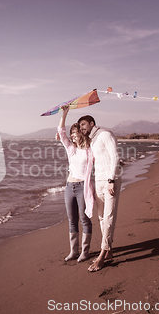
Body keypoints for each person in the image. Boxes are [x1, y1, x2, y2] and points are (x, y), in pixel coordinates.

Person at [77, 114, 121, 272]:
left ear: (91, 123)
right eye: (80, 126)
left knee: (109, 217)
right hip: (99, 181)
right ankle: (109, 250)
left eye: (83, 124)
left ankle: (102, 255)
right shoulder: (92, 140)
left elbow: (115, 157)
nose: (82, 128)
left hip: (110, 181)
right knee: (102, 217)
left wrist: (111, 180)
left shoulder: (105, 134)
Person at [57, 105, 94, 262]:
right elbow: (61, 132)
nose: (72, 136)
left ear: (81, 134)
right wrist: (64, 114)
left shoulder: (89, 149)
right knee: (72, 220)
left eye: (75, 133)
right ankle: (74, 251)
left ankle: (85, 251)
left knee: (84, 219)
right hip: (69, 187)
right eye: (71, 133)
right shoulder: (70, 149)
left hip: (82, 188)